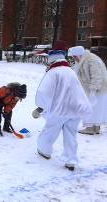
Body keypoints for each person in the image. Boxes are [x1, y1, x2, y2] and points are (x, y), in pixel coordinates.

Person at [33, 40, 91, 171]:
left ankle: (44, 150)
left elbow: (44, 92)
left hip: (59, 110)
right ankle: (71, 160)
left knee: (50, 130)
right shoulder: (70, 71)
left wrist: (41, 107)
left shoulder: (53, 72)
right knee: (71, 134)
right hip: (75, 110)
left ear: (52, 58)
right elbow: (79, 91)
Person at [68, 46, 107, 135]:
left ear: (78, 54)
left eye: (74, 56)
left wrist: (93, 90)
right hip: (93, 90)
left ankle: (91, 128)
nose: (73, 58)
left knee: (92, 108)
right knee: (94, 108)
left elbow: (97, 75)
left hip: (97, 90)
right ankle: (95, 127)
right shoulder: (83, 60)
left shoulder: (91, 60)